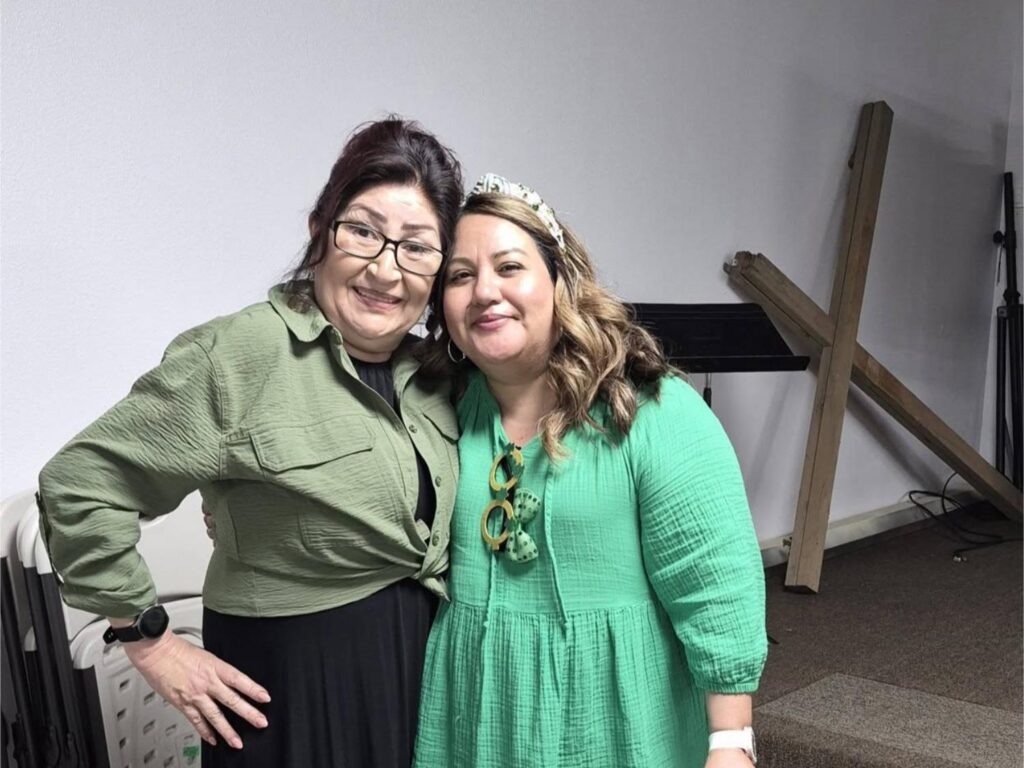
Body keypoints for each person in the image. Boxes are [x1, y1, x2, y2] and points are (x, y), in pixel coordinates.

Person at [36, 117, 464, 768]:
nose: (386, 268)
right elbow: (79, 485)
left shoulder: (439, 373)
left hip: (416, 686)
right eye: (364, 232)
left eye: (416, 246)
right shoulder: (241, 352)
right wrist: (147, 640)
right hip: (292, 699)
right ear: (321, 229)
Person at [412, 174, 767, 768]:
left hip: (615, 716)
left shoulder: (653, 408)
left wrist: (731, 742)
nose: (483, 292)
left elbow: (715, 583)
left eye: (509, 267)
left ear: (559, 280)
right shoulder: (435, 406)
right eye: (460, 275)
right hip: (474, 713)